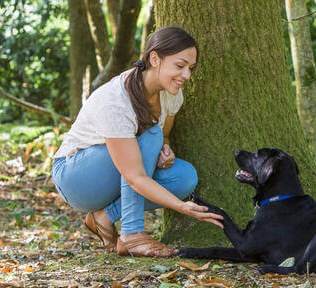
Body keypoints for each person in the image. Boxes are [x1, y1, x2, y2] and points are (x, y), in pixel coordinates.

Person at [51, 27, 223, 257]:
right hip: (76, 177)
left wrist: (166, 149)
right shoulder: (116, 100)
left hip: (119, 170)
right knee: (150, 134)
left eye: (190, 68)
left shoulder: (171, 94)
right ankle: (132, 235)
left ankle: (104, 217)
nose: (187, 75)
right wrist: (182, 207)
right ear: (154, 59)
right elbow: (135, 176)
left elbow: (164, 136)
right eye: (180, 66)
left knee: (184, 177)